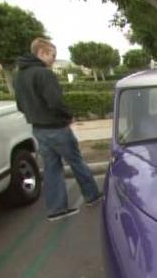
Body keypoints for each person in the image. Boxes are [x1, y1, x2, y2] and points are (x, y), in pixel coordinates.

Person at [14, 38, 102, 221]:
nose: (54, 59)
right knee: (77, 162)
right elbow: (56, 102)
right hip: (57, 128)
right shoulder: (44, 74)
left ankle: (57, 210)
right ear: (42, 53)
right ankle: (93, 196)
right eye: (52, 55)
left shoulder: (19, 76)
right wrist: (68, 116)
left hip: (38, 129)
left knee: (52, 169)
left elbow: (20, 106)